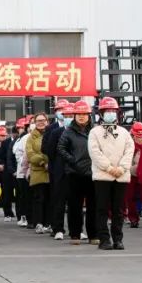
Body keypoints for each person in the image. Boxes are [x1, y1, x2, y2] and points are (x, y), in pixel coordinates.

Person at [87, 97, 134, 250]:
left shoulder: (124, 132)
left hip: (121, 176)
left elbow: (129, 151)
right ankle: (104, 239)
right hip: (103, 176)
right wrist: (108, 168)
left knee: (118, 210)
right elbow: (95, 152)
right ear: (101, 113)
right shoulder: (95, 132)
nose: (110, 113)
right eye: (107, 111)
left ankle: (118, 239)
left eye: (113, 111)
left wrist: (122, 168)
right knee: (101, 209)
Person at [57, 101, 97, 246]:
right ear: (74, 115)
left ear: (89, 115)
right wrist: (72, 160)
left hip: (93, 173)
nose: (81, 117)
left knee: (93, 206)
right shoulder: (68, 131)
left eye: (84, 114)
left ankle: (94, 234)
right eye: (78, 114)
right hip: (74, 173)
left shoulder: (95, 131)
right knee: (74, 206)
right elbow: (61, 148)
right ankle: (75, 234)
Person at [42, 101, 71, 240]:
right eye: (60, 110)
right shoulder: (52, 130)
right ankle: (57, 228)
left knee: (74, 201)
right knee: (57, 200)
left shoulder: (80, 129)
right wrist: (56, 164)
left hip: (75, 170)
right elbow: (48, 150)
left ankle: (76, 230)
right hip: (57, 169)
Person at [26, 113, 50, 235]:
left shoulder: (51, 134)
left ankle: (48, 223)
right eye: (38, 120)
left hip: (51, 172)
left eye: (43, 120)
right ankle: (39, 223)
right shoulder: (31, 137)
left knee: (50, 199)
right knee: (38, 199)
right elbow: (30, 154)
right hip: (38, 173)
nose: (41, 122)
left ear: (47, 121)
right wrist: (43, 161)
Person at [126, 121, 142, 228]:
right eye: (137, 136)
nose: (139, 138)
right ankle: (133, 219)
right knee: (130, 198)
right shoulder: (129, 144)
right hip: (131, 175)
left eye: (141, 136)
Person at [11, 117, 31, 227]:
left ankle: (29, 218)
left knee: (28, 197)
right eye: (19, 128)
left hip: (30, 171)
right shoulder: (20, 139)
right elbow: (16, 153)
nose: (21, 130)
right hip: (22, 172)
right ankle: (23, 217)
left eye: (22, 127)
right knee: (22, 197)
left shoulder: (26, 138)